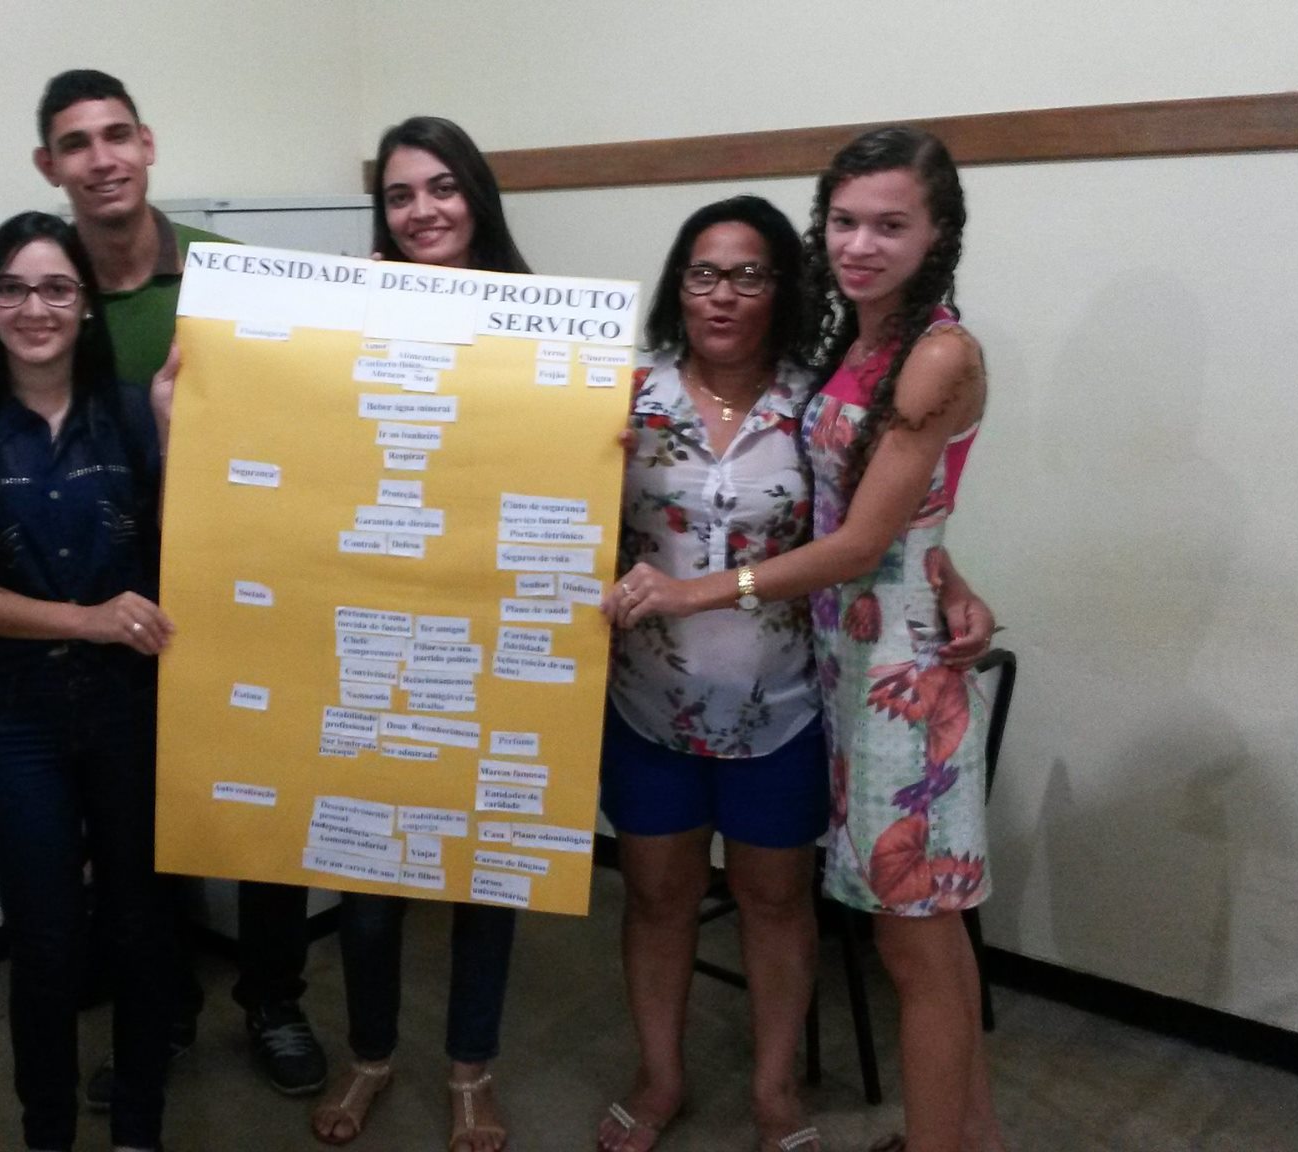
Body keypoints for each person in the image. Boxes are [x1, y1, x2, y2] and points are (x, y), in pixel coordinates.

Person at [604, 127, 1005, 1152]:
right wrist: (943, 568)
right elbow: (872, 506)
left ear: (937, 233)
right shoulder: (841, 361)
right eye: (845, 222)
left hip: (850, 688)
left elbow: (865, 534)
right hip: (746, 686)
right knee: (908, 942)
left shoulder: (900, 360)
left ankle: (876, 1122)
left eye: (889, 224)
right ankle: (967, 1137)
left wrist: (699, 591)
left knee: (904, 940)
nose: (861, 244)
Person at [32, 67, 329, 1100]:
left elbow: (307, 419)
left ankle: (275, 997)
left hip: (248, 589)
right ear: (48, 166)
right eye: (77, 143)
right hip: (112, 606)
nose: (102, 159)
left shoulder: (231, 275)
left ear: (148, 144)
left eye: (117, 135)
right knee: (135, 826)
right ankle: (159, 1011)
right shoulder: (46, 290)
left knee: (266, 811)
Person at [0, 210, 178, 1152]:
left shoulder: (133, 414)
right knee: (47, 942)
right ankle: (48, 1132)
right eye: (13, 288)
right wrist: (86, 619)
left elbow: (199, 540)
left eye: (57, 288)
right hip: (18, 722)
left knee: (142, 930)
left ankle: (138, 1126)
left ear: (86, 305)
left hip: (131, 712)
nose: (36, 308)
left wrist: (175, 435)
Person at [308, 115, 531, 1152]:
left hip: (491, 630)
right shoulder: (352, 316)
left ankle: (470, 1070)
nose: (422, 211)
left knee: (484, 869)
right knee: (366, 878)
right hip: (372, 623)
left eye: (442, 187)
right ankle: (369, 1055)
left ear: (476, 194)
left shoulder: (541, 319)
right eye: (399, 195)